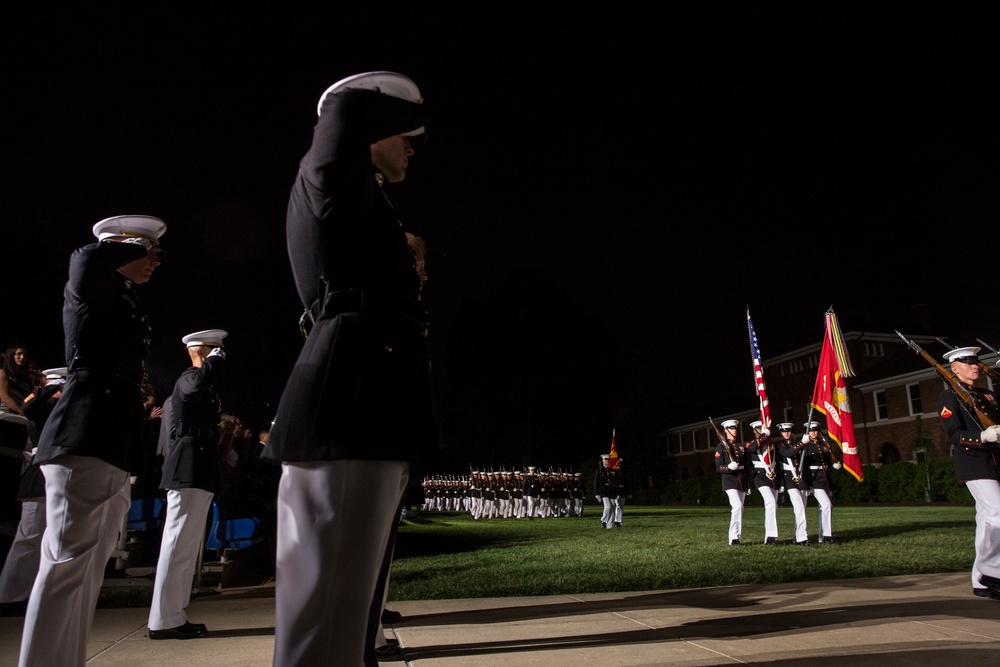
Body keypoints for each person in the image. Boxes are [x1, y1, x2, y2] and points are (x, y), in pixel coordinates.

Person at [263, 71, 436, 666]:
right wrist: (353, 107)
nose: (412, 147)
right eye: (404, 133)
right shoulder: (332, 177)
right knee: (328, 615)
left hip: (366, 400)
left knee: (347, 615)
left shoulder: (363, 197)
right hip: (349, 402)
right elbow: (336, 137)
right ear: (368, 129)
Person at [19, 214, 165, 667]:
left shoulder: (123, 298)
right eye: (149, 253)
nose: (155, 263)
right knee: (65, 562)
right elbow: (85, 258)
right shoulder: (88, 284)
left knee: (87, 568)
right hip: (82, 432)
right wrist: (125, 244)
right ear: (122, 248)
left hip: (111, 437)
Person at [147, 329, 228, 640]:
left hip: (199, 467)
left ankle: (173, 616)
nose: (220, 357)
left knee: (186, 546)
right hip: (188, 468)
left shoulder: (200, 383)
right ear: (199, 352)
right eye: (214, 351)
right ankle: (164, 620)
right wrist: (207, 364)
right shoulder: (189, 378)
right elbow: (194, 386)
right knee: (178, 544)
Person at [0, 367, 65, 618]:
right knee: (28, 539)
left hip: (56, 476)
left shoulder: (63, 409)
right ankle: (8, 595)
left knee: (45, 542)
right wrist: (51, 387)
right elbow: (30, 409)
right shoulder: (41, 406)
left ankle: (28, 594)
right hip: (39, 476)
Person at [936, 345, 1000, 599]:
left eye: (976, 362)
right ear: (955, 369)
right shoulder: (949, 398)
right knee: (997, 513)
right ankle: (991, 572)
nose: (975, 366)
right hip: (974, 463)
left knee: (987, 521)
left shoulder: (986, 394)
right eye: (968, 362)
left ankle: (980, 580)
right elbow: (953, 434)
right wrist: (981, 436)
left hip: (994, 462)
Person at [802, 420, 840, 543]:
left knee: (824, 508)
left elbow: (827, 462)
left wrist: (835, 466)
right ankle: (827, 535)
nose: (813, 433)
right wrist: (807, 483)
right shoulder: (806, 446)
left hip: (826, 479)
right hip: (815, 480)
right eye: (811, 431)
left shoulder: (824, 444)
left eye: (815, 430)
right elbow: (804, 465)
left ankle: (822, 536)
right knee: (827, 505)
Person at [715, 419, 750, 545]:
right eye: (732, 428)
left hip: (741, 480)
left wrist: (748, 484)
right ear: (726, 430)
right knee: (737, 506)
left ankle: (737, 537)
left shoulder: (740, 446)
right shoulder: (721, 447)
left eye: (735, 428)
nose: (735, 430)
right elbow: (718, 467)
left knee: (740, 508)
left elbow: (746, 466)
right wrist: (728, 467)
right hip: (729, 480)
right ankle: (733, 537)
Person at [776, 422, 810, 545]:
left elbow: (805, 463)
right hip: (789, 478)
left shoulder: (798, 444)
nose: (786, 433)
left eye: (789, 431)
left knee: (802, 509)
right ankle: (803, 537)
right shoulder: (780, 445)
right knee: (798, 506)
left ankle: (797, 536)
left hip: (801, 478)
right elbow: (788, 453)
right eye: (784, 431)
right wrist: (802, 443)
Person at [746, 420, 780, 545]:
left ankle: (769, 536)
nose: (761, 430)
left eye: (763, 428)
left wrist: (780, 483)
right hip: (760, 477)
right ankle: (771, 536)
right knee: (770, 502)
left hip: (773, 477)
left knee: (773, 506)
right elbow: (753, 448)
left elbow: (778, 465)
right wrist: (763, 436)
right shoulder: (751, 444)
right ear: (755, 431)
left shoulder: (772, 445)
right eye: (759, 429)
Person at [595, 454, 621, 529]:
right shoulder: (599, 470)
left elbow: (616, 483)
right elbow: (596, 483)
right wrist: (596, 494)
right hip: (604, 491)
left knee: (612, 507)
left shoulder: (613, 471)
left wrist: (618, 492)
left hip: (612, 491)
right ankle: (603, 521)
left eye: (608, 460)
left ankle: (609, 525)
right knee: (608, 506)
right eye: (605, 460)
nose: (607, 461)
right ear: (602, 461)